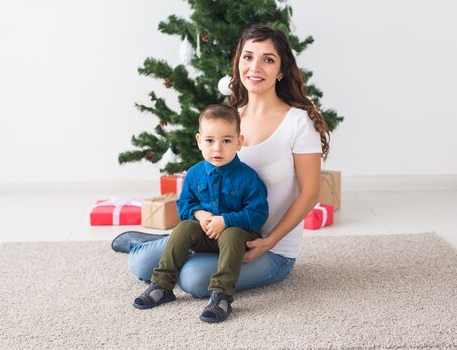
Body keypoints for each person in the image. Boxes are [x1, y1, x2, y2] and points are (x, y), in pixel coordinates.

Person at [113, 24, 329, 300]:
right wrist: (202, 221)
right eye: (248, 57)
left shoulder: (299, 123)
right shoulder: (230, 118)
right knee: (140, 264)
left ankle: (163, 245)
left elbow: (311, 193)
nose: (255, 67)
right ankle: (160, 244)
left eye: (268, 59)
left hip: (272, 249)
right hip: (217, 234)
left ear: (282, 70)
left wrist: (269, 241)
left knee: (193, 278)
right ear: (238, 62)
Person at [131, 104, 268, 323]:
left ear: (238, 142)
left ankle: (221, 295)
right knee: (185, 227)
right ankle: (163, 284)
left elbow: (258, 214)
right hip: (206, 236)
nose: (217, 148)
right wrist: (199, 214)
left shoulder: (248, 177)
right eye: (210, 140)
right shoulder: (194, 174)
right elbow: (184, 204)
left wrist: (226, 220)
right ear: (199, 141)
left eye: (226, 140)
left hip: (237, 239)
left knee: (232, 234)